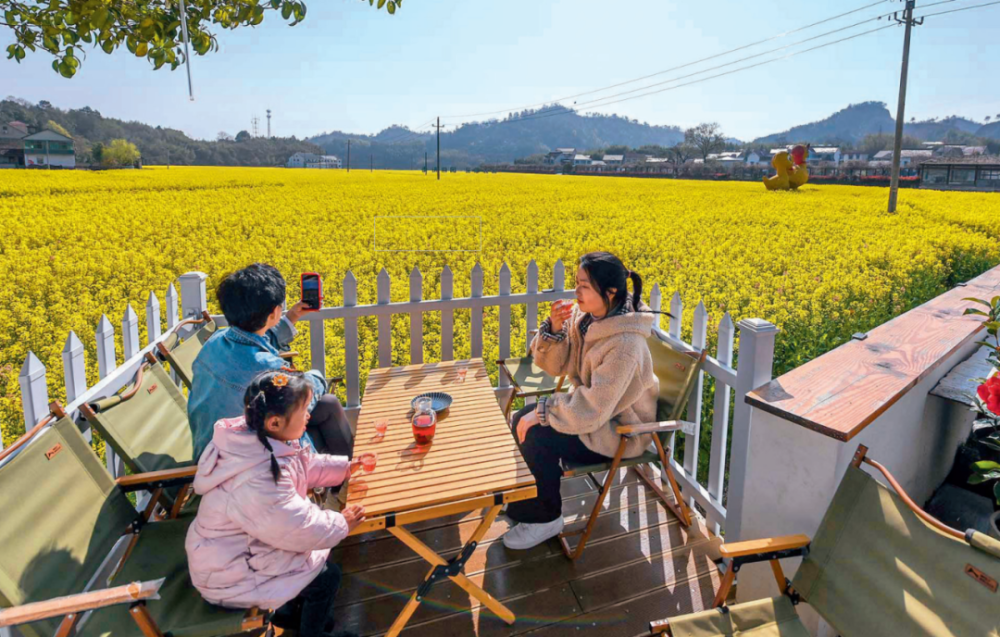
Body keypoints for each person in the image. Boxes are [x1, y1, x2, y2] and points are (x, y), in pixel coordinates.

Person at [186, 370, 366, 637]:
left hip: (243, 548)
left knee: (310, 566)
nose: (309, 415)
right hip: (232, 574)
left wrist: (345, 468)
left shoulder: (258, 440)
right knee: (326, 577)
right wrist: (342, 522)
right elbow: (298, 527)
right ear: (274, 422)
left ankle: (291, 613)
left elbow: (304, 466)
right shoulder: (257, 479)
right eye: (304, 409)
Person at [501, 252, 662, 550]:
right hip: (595, 414)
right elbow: (555, 367)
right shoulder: (589, 320)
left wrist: (544, 413)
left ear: (610, 292)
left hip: (618, 431)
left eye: (584, 285)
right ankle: (528, 503)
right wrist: (556, 329)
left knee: (537, 434)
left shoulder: (625, 345)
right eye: (577, 282)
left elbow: (593, 409)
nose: (576, 292)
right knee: (519, 419)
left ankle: (546, 517)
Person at [188, 263, 353, 462]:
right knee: (322, 412)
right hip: (244, 462)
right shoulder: (267, 370)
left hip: (211, 449)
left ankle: (345, 479)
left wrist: (292, 316)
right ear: (274, 312)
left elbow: (253, 344)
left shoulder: (216, 340)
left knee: (327, 405)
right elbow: (305, 394)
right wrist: (317, 376)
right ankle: (347, 478)